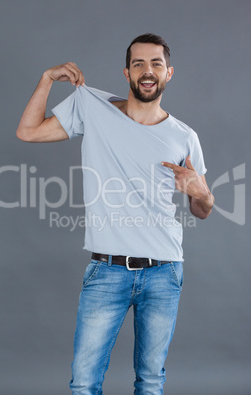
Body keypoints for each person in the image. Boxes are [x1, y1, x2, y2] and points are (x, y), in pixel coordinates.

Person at [17, 33, 214, 394]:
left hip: (164, 272)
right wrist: (46, 79)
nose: (147, 70)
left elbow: (201, 210)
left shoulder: (185, 136)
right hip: (106, 271)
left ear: (169, 73)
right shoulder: (93, 109)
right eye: (138, 63)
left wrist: (204, 195)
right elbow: (27, 131)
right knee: (85, 382)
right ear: (127, 73)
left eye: (156, 63)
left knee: (151, 380)